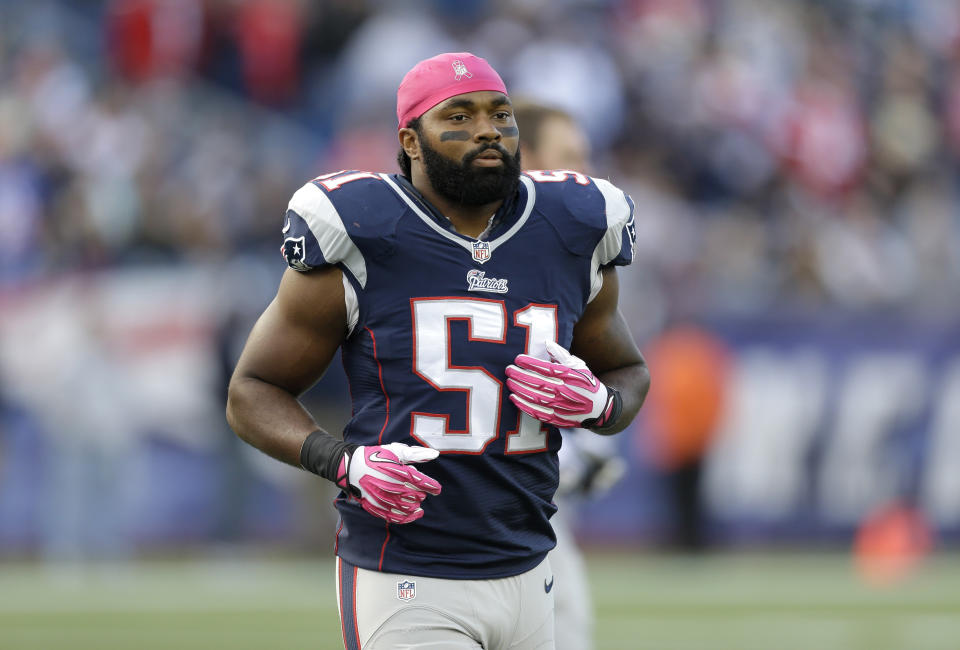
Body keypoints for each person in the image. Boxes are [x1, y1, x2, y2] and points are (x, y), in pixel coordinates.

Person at [226, 52, 650, 650]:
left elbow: (628, 370)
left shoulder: (569, 228)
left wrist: (602, 406)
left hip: (531, 563)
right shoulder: (366, 228)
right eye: (459, 114)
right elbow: (252, 391)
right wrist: (342, 462)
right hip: (407, 570)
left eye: (500, 114)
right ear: (411, 140)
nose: (487, 129)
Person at [512, 100, 627, 650]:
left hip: (538, 512)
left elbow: (620, 370)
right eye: (569, 157)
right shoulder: (476, 253)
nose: (584, 174)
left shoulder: (578, 252)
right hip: (472, 516)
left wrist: (595, 422)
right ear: (525, 157)